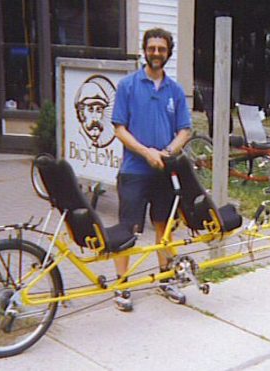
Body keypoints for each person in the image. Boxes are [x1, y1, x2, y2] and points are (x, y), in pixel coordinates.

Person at [111, 28, 192, 311]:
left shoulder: (176, 91)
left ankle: (166, 279)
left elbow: (185, 130)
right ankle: (121, 287)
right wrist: (146, 152)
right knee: (127, 230)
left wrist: (167, 153)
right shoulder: (128, 86)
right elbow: (119, 129)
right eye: (152, 48)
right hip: (134, 170)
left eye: (162, 49)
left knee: (164, 226)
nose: (156, 53)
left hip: (164, 172)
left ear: (169, 52)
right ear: (144, 50)